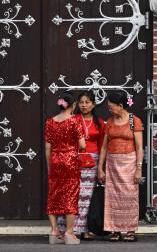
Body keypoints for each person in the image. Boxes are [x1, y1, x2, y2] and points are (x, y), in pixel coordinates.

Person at [97, 91, 143, 242]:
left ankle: (130, 230)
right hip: (112, 164)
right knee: (113, 198)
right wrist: (100, 168)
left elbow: (139, 147)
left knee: (130, 196)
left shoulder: (133, 121)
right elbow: (104, 147)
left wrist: (138, 169)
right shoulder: (109, 122)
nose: (109, 108)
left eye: (111, 106)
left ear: (121, 106)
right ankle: (115, 230)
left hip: (129, 163)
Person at [44, 91, 86, 245]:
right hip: (70, 160)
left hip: (55, 160)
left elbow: (47, 147)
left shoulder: (50, 122)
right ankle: (69, 233)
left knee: (54, 194)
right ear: (73, 105)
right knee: (71, 193)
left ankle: (54, 232)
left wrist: (50, 165)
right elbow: (82, 145)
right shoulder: (75, 121)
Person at [72, 91, 105, 239]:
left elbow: (102, 144)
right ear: (77, 104)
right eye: (81, 102)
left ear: (94, 104)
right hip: (75, 160)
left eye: (87, 102)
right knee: (75, 195)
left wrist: (101, 167)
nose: (84, 105)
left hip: (92, 161)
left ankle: (84, 229)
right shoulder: (73, 120)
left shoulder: (99, 122)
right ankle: (71, 228)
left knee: (87, 196)